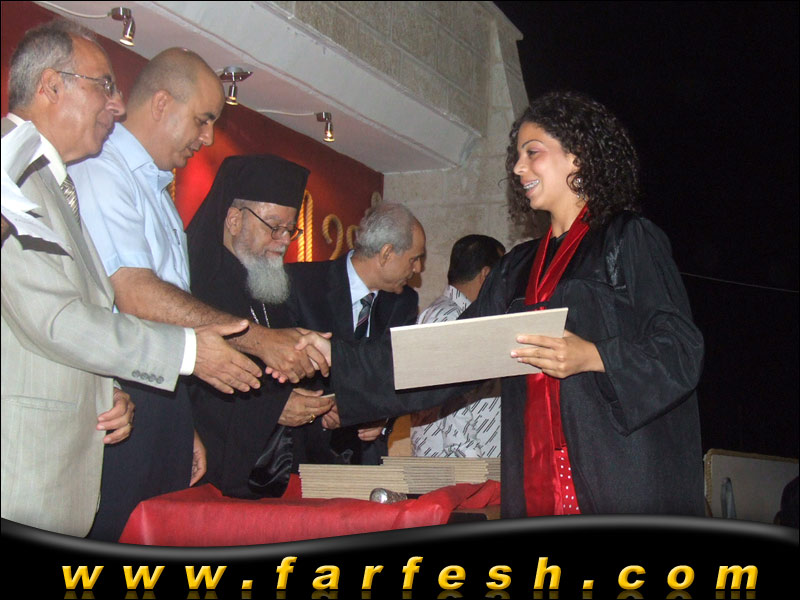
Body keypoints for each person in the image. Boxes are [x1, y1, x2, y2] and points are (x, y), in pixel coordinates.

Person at [328, 91, 705, 518]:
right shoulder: (517, 266)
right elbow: (450, 351)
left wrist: (593, 355)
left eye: (533, 153)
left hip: (616, 476)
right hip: (535, 479)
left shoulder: (626, 239)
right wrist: (339, 361)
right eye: (517, 156)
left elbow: (680, 350)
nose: (518, 167)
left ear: (578, 156)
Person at [1, 20, 260, 537]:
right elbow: (55, 319)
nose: (117, 105)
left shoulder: (47, 180)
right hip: (22, 474)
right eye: (104, 86)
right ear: (51, 86)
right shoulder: (12, 170)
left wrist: (109, 392)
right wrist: (189, 352)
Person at [68, 48, 329, 541]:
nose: (207, 138)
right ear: (162, 103)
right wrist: (259, 341)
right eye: (203, 119)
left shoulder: (158, 193)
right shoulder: (104, 172)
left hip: (159, 408)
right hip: (119, 409)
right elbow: (135, 295)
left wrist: (182, 424)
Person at [186, 154, 335, 497]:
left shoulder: (269, 287)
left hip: (272, 475)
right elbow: (190, 388)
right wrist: (273, 409)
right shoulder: (195, 286)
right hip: (212, 474)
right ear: (234, 219)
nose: (284, 240)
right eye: (273, 226)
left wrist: (321, 403)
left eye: (290, 229)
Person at [285, 202, 424, 465]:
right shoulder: (301, 284)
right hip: (303, 457)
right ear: (386, 253)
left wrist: (383, 418)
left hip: (364, 459)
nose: (417, 268)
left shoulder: (404, 302)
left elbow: (397, 374)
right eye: (414, 259)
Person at [410, 234, 505, 458]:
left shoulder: (460, 316)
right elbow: (452, 403)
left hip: (469, 463)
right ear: (486, 275)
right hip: (459, 466)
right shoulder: (448, 318)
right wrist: (471, 466)